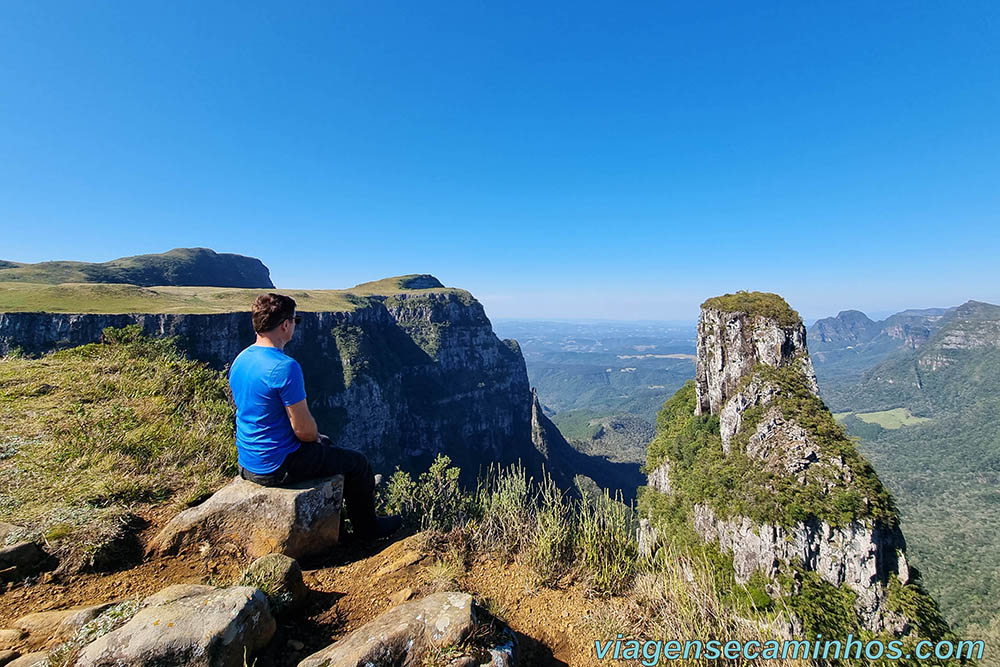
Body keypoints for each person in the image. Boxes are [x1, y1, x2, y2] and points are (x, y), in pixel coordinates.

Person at [228, 292, 401, 541]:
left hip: (248, 462)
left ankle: (341, 513)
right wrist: (315, 437)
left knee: (328, 445)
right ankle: (368, 531)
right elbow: (304, 431)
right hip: (277, 466)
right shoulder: (284, 367)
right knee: (357, 463)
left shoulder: (241, 359)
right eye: (295, 321)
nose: (294, 327)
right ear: (285, 325)